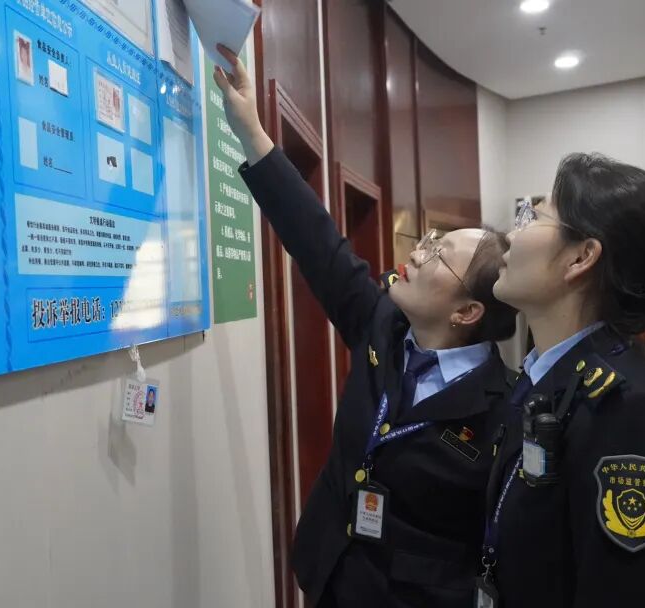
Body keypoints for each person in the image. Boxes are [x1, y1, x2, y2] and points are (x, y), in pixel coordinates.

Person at [213, 47, 520, 607]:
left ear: (467, 312)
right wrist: (251, 131)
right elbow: (316, 241)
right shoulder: (383, 324)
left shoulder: (506, 412)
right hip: (328, 577)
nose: (419, 251)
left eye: (441, 255)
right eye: (431, 239)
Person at [483, 153, 645, 607]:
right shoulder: (546, 379)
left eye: (531, 216)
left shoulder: (629, 412)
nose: (510, 235)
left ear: (581, 257)